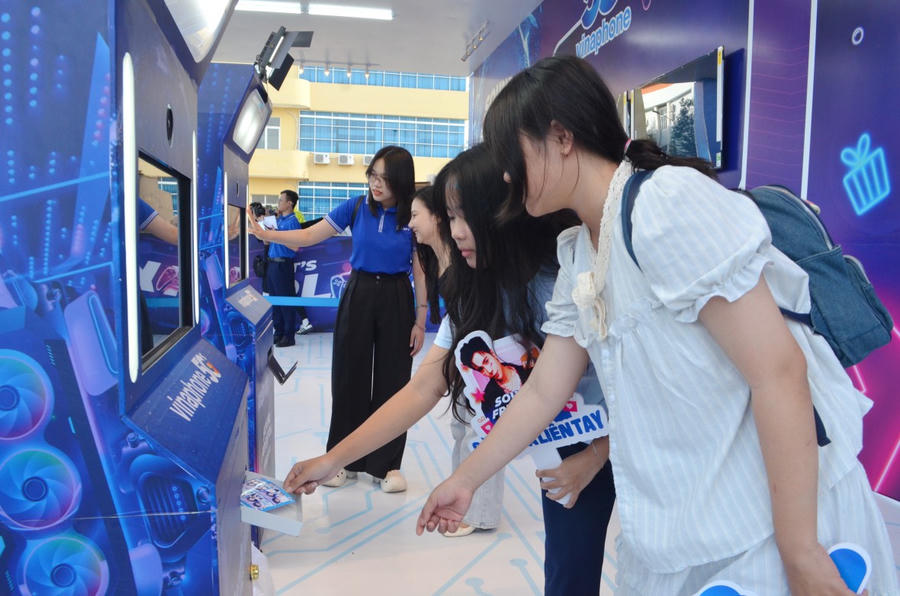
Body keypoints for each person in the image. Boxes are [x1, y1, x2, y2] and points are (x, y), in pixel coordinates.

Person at [417, 56, 898, 596]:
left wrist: (800, 549)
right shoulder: (580, 252)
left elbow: (778, 372)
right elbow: (543, 392)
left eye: (512, 153)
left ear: (561, 137)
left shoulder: (664, 206)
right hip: (683, 528)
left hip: (766, 524)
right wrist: (465, 479)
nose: (506, 174)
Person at [283, 144, 616, 594]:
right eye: (449, 217)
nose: (454, 231)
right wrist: (333, 459)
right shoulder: (473, 291)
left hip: (613, 446)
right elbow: (424, 386)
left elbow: (633, 386)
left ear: (500, 213)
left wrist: (597, 456)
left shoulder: (560, 278)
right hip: (561, 454)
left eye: (464, 217)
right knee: (567, 575)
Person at [249, 145, 427, 492]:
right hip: (359, 291)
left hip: (396, 296)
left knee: (394, 381)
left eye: (385, 178)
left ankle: (387, 466)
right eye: (373, 175)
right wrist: (268, 235)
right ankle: (342, 461)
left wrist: (420, 320)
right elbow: (309, 235)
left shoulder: (411, 216)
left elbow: (420, 270)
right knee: (348, 377)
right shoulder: (356, 207)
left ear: (401, 181)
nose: (376, 184)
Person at [265, 190, 303, 348]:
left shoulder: (292, 222)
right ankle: (278, 332)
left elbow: (295, 247)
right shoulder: (279, 220)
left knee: (285, 300)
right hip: (272, 263)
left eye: (281, 200)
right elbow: (267, 242)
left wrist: (277, 235)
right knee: (275, 301)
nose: (278, 203)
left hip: (283, 264)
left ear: (289, 203)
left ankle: (289, 335)